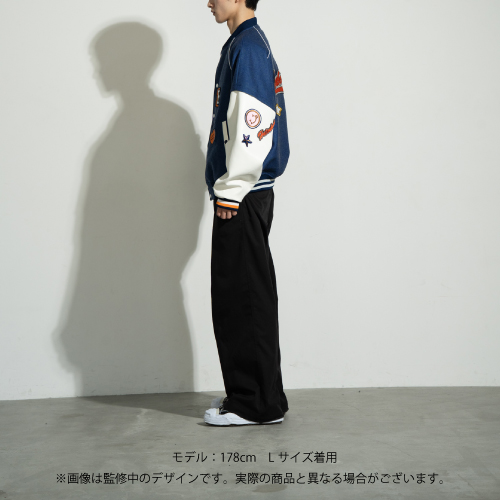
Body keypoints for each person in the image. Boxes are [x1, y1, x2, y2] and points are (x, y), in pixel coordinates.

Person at [204, 0, 290, 426]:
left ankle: (253, 403)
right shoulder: (245, 43)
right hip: (247, 192)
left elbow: (252, 125)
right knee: (247, 293)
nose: (207, 2)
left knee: (243, 298)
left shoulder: (248, 48)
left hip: (241, 194)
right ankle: (263, 397)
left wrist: (232, 189)